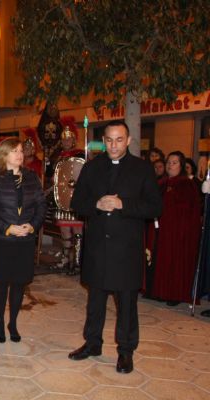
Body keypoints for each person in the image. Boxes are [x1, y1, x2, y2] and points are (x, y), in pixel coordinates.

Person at [68, 120, 162, 374]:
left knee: (127, 304)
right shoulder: (92, 167)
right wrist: (96, 205)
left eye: (119, 139)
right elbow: (77, 202)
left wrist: (124, 205)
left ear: (129, 141)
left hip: (127, 249)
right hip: (98, 247)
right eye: (109, 140)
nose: (113, 145)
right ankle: (92, 343)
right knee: (95, 300)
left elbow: (155, 207)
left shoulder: (142, 169)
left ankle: (126, 351)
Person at [0, 138, 46, 343]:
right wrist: (7, 228)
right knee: (1, 283)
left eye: (20, 151)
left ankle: (13, 323)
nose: (20, 154)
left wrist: (32, 225)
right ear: (4, 154)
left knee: (19, 283)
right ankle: (0, 322)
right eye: (14, 151)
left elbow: (41, 205)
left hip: (25, 239)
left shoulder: (32, 177)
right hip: (2, 239)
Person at [148, 151, 201, 306]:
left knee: (175, 262)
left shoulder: (187, 184)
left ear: (181, 165)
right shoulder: (161, 183)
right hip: (161, 231)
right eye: (169, 162)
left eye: (174, 162)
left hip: (178, 233)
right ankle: (159, 291)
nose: (170, 165)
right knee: (160, 260)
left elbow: (190, 211)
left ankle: (174, 294)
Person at [50, 117, 85, 275]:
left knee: (77, 230)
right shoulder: (57, 158)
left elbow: (84, 175)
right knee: (64, 232)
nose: (66, 142)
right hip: (62, 198)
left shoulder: (81, 155)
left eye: (69, 139)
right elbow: (54, 176)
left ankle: (76, 261)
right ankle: (65, 258)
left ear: (73, 140)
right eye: (63, 140)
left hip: (76, 198)